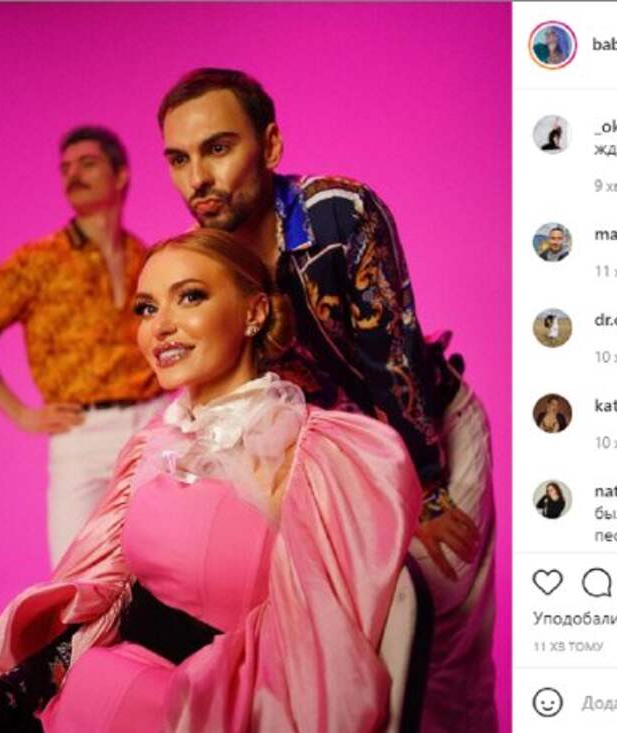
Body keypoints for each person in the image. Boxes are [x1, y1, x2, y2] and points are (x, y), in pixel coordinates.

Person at [0, 229, 421, 732]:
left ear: (254, 313)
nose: (160, 327)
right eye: (147, 308)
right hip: (84, 703)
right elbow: (104, 595)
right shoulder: (150, 447)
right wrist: (17, 689)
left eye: (190, 297)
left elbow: (318, 663)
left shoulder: (314, 455)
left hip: (199, 714)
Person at [157, 68, 497, 731]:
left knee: (440, 645)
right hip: (341, 469)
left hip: (429, 438)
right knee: (351, 648)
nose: (198, 177)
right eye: (179, 158)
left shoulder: (338, 214)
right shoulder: (206, 264)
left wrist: (425, 489)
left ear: (270, 145)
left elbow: (392, 359)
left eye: (218, 148)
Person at [0, 126, 166, 567]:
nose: (73, 175)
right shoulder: (38, 260)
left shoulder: (146, 257)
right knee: (72, 574)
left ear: (120, 174)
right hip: (80, 432)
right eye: (65, 168)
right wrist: (20, 413)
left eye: (87, 164)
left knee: (163, 565)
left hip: (152, 423)